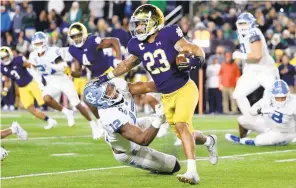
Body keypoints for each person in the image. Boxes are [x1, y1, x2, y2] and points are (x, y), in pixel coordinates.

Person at [94, 4, 218, 185]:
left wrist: (194, 62)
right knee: (186, 135)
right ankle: (209, 141)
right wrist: (107, 76)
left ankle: (192, 172)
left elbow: (194, 49)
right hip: (166, 96)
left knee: (183, 126)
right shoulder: (137, 45)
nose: (138, 28)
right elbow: (126, 65)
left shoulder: (168, 34)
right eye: (137, 24)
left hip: (185, 89)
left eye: (142, 24)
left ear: (154, 23)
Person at [84, 78, 181, 175]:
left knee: (172, 118)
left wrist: (170, 83)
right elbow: (143, 140)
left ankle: (193, 137)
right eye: (107, 92)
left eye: (108, 86)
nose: (111, 89)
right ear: (102, 101)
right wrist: (159, 117)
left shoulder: (118, 86)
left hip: (133, 125)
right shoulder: (110, 117)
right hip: (129, 152)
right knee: (174, 166)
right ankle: (155, 166)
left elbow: (146, 86)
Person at [28, 32, 102, 139]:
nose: (39, 46)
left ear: (45, 42)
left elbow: (63, 67)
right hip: (51, 82)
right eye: (37, 44)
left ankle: (93, 125)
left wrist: (49, 65)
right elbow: (34, 70)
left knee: (77, 103)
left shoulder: (53, 51)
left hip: (62, 80)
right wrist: (40, 84)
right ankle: (67, 112)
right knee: (46, 98)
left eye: (40, 43)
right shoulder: (33, 56)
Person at [232, 12, 279, 137]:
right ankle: (252, 123)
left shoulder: (253, 32)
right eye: (240, 23)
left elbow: (257, 55)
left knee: (275, 100)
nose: (242, 26)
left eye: (244, 23)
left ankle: (287, 129)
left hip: (266, 70)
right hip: (253, 70)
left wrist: (240, 55)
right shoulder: (242, 35)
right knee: (238, 94)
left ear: (251, 23)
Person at [67, 22, 122, 126]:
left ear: (83, 34)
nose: (76, 38)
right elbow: (78, 72)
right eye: (73, 36)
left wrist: (119, 59)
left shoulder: (92, 41)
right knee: (87, 98)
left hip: (107, 72)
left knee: (113, 99)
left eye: (78, 35)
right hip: (95, 76)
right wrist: (69, 72)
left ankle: (120, 120)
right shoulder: (73, 49)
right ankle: (100, 121)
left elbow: (114, 41)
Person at [0, 46, 57, 129]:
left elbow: (31, 66)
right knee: (30, 108)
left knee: (45, 101)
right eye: (3, 58)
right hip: (22, 88)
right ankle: (49, 120)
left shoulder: (18, 60)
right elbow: (7, 80)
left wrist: (40, 72)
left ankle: (64, 110)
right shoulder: (2, 67)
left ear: (10, 54)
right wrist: (5, 89)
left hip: (31, 83)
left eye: (6, 56)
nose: (5, 59)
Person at [225, 80, 296, 146]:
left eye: (283, 97)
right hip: (269, 126)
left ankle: (244, 141)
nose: (280, 100)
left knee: (260, 140)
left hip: (286, 132)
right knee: (242, 120)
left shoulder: (293, 101)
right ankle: (244, 136)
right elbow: (252, 111)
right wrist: (261, 110)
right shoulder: (267, 99)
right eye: (278, 97)